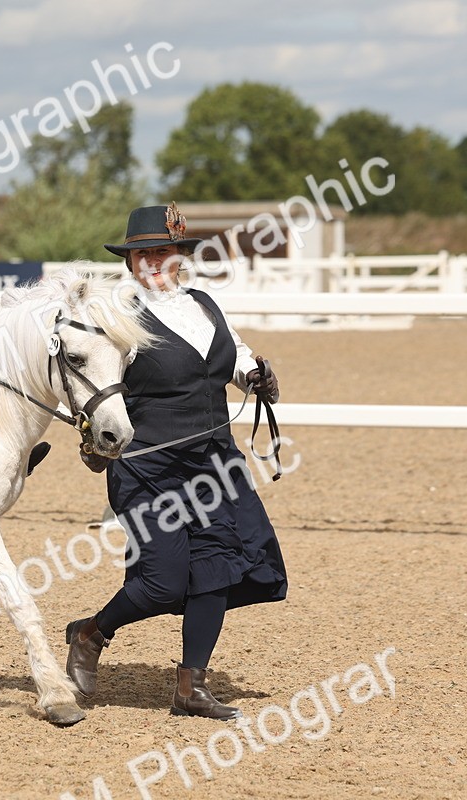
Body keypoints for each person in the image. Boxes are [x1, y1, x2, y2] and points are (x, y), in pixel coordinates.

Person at [64, 203, 287, 720]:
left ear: (180, 256)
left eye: (163, 252)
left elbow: (232, 353)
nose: (154, 263)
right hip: (149, 463)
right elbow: (89, 381)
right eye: (144, 254)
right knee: (163, 581)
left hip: (214, 463)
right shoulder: (117, 317)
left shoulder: (204, 304)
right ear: (130, 261)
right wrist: (94, 438)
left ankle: (191, 686)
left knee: (218, 570)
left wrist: (253, 375)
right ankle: (92, 632)